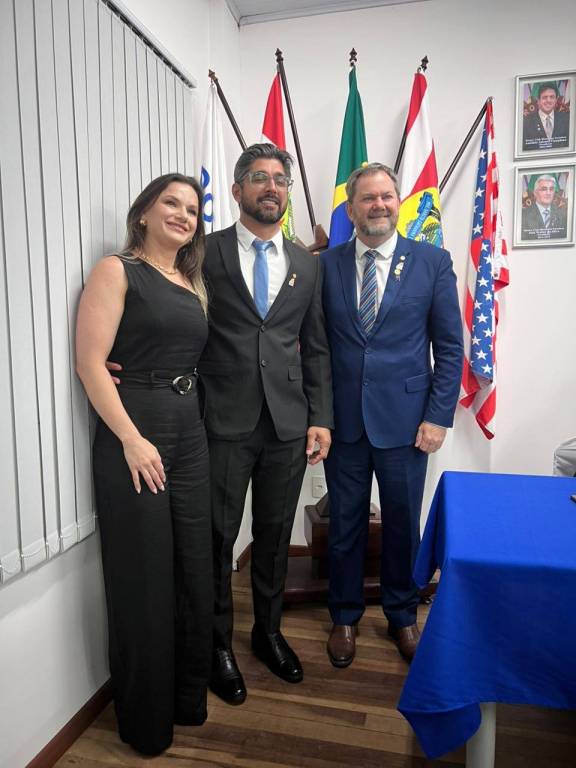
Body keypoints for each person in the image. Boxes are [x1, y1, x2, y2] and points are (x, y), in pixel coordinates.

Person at [76, 174, 212, 755]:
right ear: (143, 214)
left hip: (190, 432)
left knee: (193, 570)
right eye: (171, 203)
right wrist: (131, 439)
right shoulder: (117, 270)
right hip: (136, 433)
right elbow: (90, 363)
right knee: (145, 579)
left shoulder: (190, 279)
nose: (183, 215)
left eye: (192, 209)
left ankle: (186, 699)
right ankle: (146, 724)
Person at [199, 143, 333, 704]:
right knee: (218, 538)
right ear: (237, 190)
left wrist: (320, 418)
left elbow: (316, 347)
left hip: (287, 422)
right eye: (258, 177)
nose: (271, 186)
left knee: (275, 536)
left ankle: (267, 633)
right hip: (222, 417)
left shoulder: (306, 262)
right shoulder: (203, 251)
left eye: (280, 178)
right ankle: (216, 646)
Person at [321, 163, 463, 666]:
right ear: (351, 208)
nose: (378, 205)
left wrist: (438, 416)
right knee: (345, 525)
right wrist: (319, 416)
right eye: (368, 198)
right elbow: (316, 348)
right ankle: (344, 615)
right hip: (343, 424)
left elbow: (450, 348)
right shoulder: (326, 265)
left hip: (408, 423)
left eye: (386, 196)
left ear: (398, 203)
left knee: (403, 523)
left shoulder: (432, 262)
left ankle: (402, 616)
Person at [522, 82, 570, 152]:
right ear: (538, 100)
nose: (548, 100)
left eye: (552, 97)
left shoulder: (567, 119)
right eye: (544, 97)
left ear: (556, 100)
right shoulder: (526, 122)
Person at [521, 174, 568, 240]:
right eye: (544, 189)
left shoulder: (563, 215)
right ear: (535, 193)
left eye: (551, 189)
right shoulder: (523, 216)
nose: (548, 193)